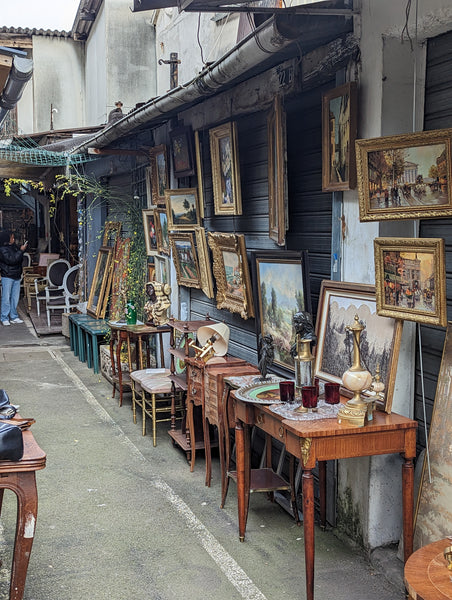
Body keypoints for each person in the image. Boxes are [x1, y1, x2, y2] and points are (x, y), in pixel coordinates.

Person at [0, 231, 27, 326]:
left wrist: (20, 250)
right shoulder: (2, 249)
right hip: (7, 276)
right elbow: (12, 260)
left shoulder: (14, 247)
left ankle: (14, 316)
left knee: (15, 298)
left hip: (16, 275)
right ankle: (4, 317)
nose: (13, 239)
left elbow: (18, 259)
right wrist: (21, 251)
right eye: (12, 238)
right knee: (6, 298)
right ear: (6, 239)